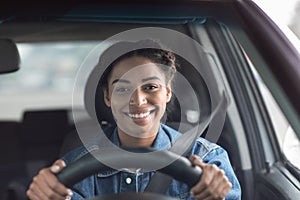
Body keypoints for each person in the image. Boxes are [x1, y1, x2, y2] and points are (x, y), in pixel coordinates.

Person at [26, 39, 241, 200]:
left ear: (167, 92)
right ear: (107, 97)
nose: (137, 100)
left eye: (150, 87)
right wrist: (45, 193)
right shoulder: (75, 167)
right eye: (123, 88)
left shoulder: (208, 160)